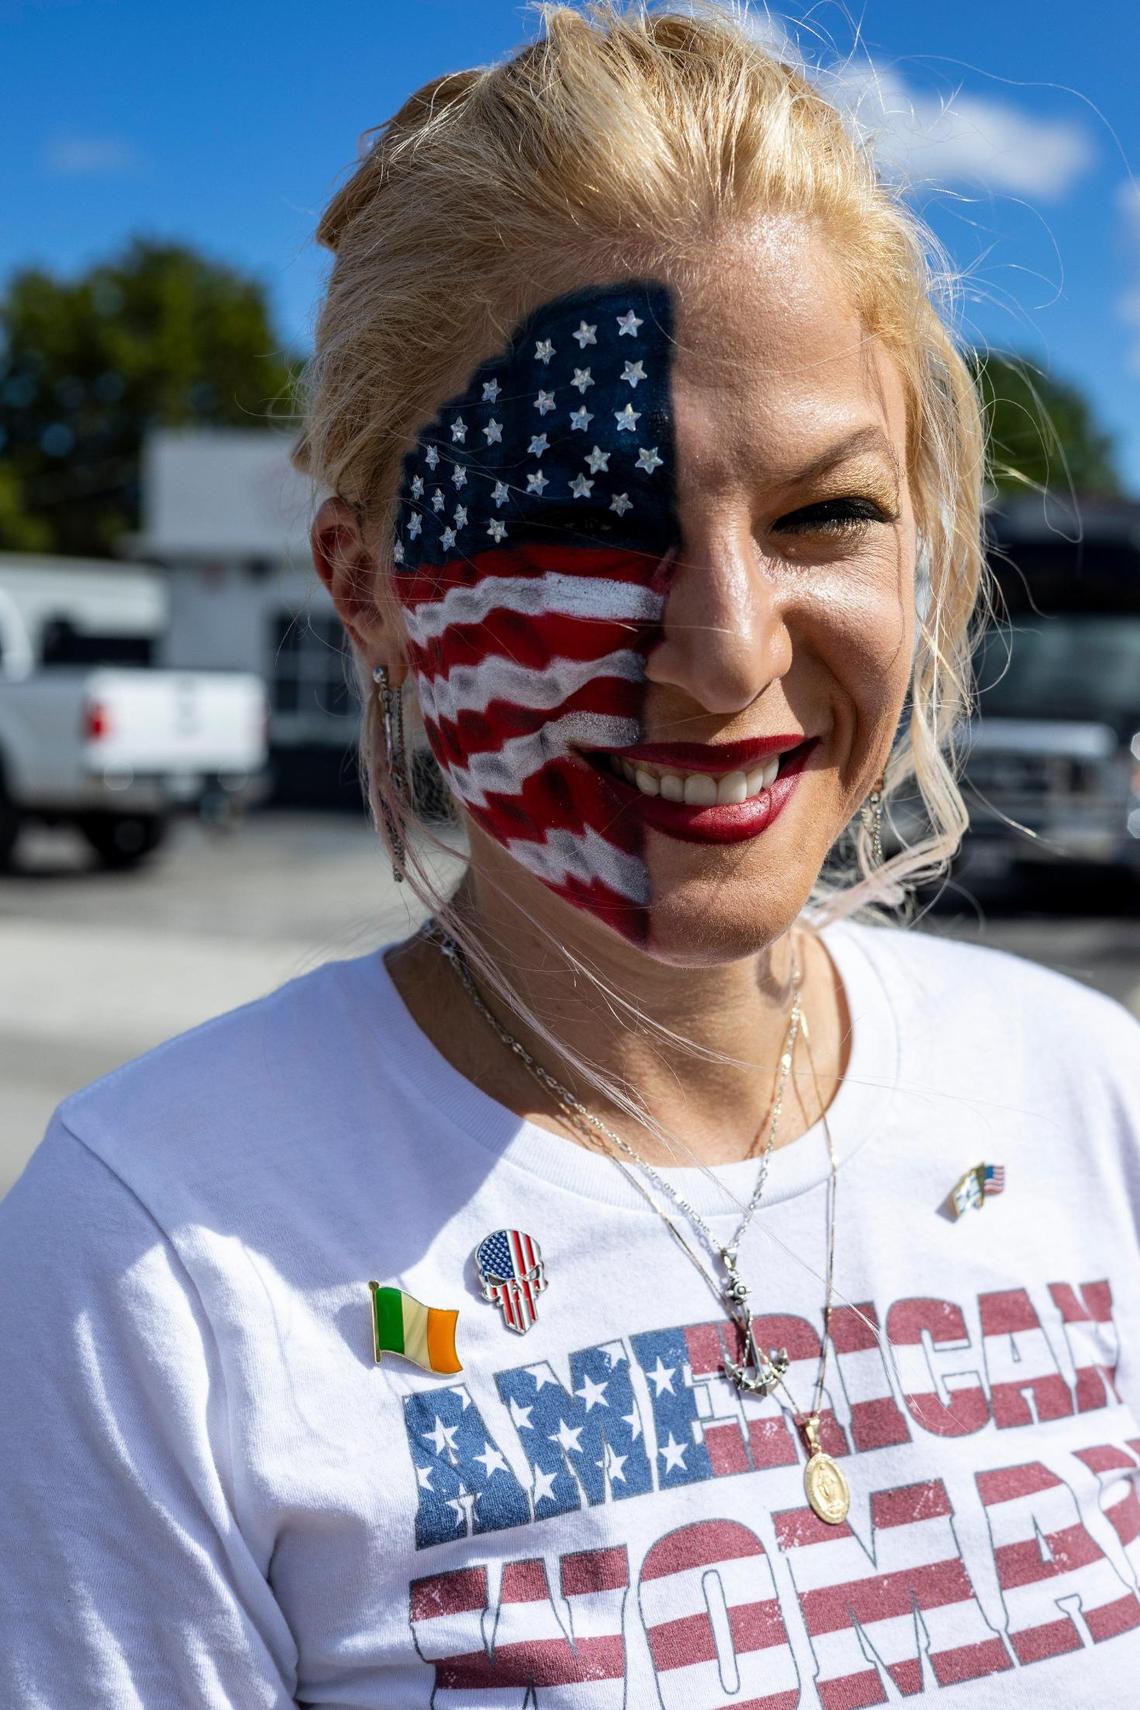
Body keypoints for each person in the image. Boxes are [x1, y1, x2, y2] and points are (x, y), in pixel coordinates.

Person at [2, 6, 1139, 1707]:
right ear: (367, 586)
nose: (729, 650)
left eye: (825, 514)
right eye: (592, 525)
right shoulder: (159, 1262)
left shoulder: (1087, 1098)